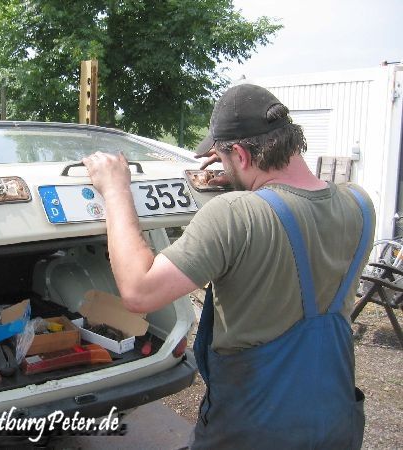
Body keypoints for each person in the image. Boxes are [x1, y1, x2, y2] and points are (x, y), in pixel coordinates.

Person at [82, 83, 375, 449]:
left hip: (254, 430)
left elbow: (139, 292)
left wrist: (115, 190)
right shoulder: (359, 203)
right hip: (336, 421)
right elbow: (294, 213)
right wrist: (241, 177)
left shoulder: (235, 215)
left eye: (223, 157)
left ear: (241, 153)